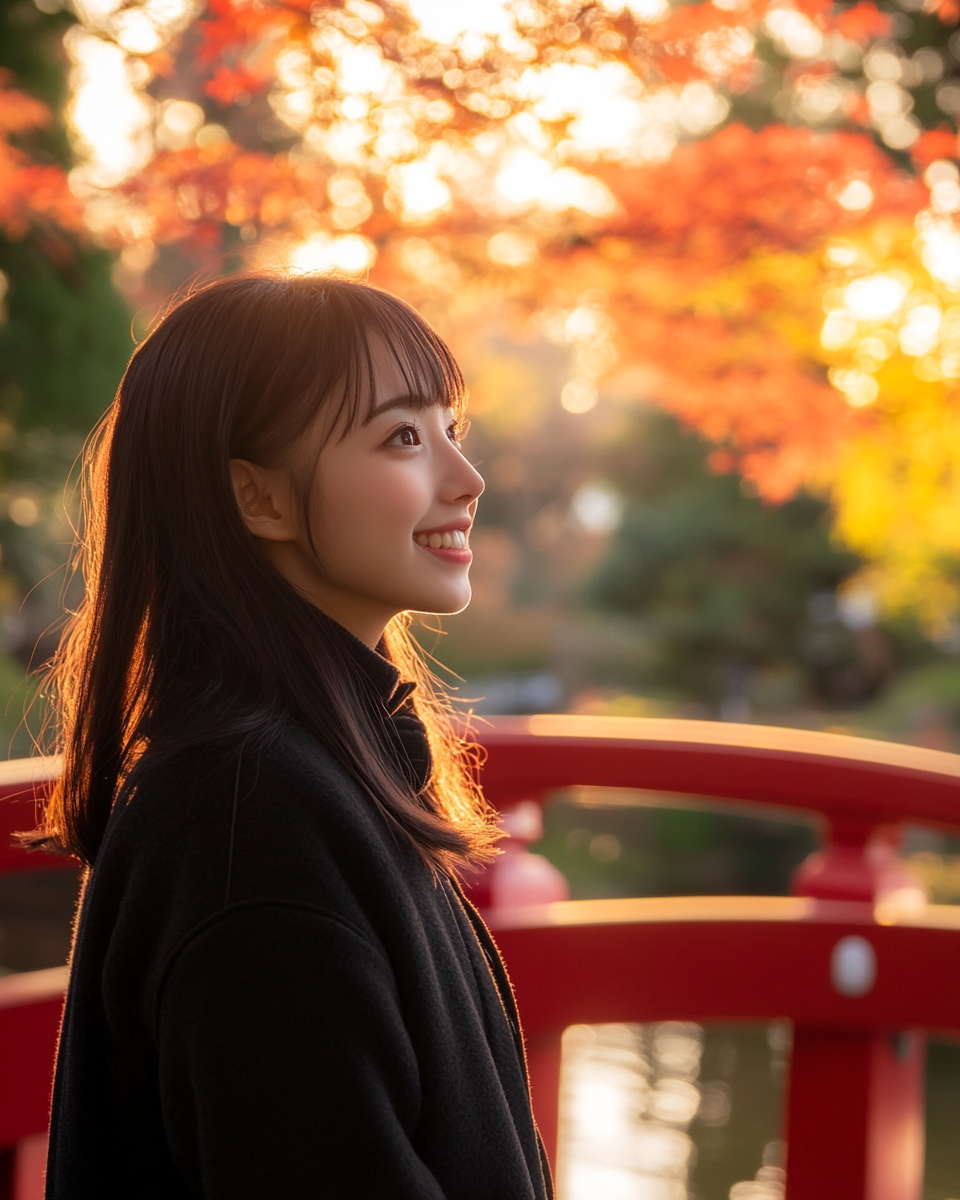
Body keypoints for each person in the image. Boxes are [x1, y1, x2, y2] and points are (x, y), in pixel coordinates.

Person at [39, 272, 553, 1199]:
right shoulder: (248, 824)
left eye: (450, 430)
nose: (465, 480)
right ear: (259, 500)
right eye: (402, 437)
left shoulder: (314, 769)